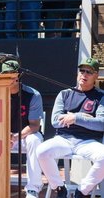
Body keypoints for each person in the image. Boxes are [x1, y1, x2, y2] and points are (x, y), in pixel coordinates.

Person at [36, 58, 104, 198]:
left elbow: (101, 124)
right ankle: (59, 187)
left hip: (88, 141)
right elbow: (55, 121)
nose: (84, 74)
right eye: (82, 71)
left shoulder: (101, 96)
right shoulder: (65, 94)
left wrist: (75, 118)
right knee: (41, 151)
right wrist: (85, 118)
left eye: (89, 72)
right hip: (64, 139)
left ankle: (83, 191)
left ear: (96, 75)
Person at [0, 60, 44, 198]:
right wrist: (3, 134)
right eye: (6, 74)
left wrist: (15, 136)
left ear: (19, 75)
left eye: (12, 74)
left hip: (23, 136)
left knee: (35, 140)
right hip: (1, 136)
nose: (9, 77)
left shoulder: (32, 94)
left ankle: (33, 189)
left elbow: (34, 125)